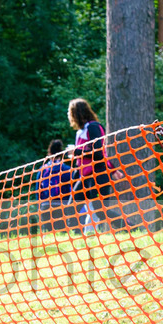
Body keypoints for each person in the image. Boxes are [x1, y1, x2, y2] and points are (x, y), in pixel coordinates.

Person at [68, 98, 108, 235]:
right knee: (71, 209)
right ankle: (78, 239)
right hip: (84, 176)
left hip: (97, 174)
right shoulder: (80, 132)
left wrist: (76, 151)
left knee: (101, 211)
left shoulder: (93, 127)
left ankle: (132, 227)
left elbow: (98, 153)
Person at [37, 139, 74, 233]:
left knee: (48, 236)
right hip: (62, 206)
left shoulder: (42, 170)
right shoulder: (67, 169)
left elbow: (38, 190)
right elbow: (73, 189)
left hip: (46, 206)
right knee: (63, 236)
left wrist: (39, 206)